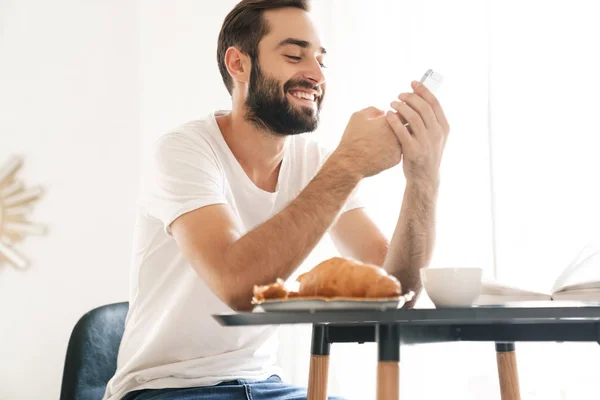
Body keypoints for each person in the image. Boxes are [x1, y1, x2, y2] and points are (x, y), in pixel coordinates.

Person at [103, 0, 450, 399]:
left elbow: (397, 292)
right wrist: (351, 162)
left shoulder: (317, 163)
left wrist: (423, 179)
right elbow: (238, 285)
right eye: (293, 55)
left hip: (264, 385)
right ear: (239, 64)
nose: (317, 74)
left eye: (322, 60)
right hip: (166, 388)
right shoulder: (183, 152)